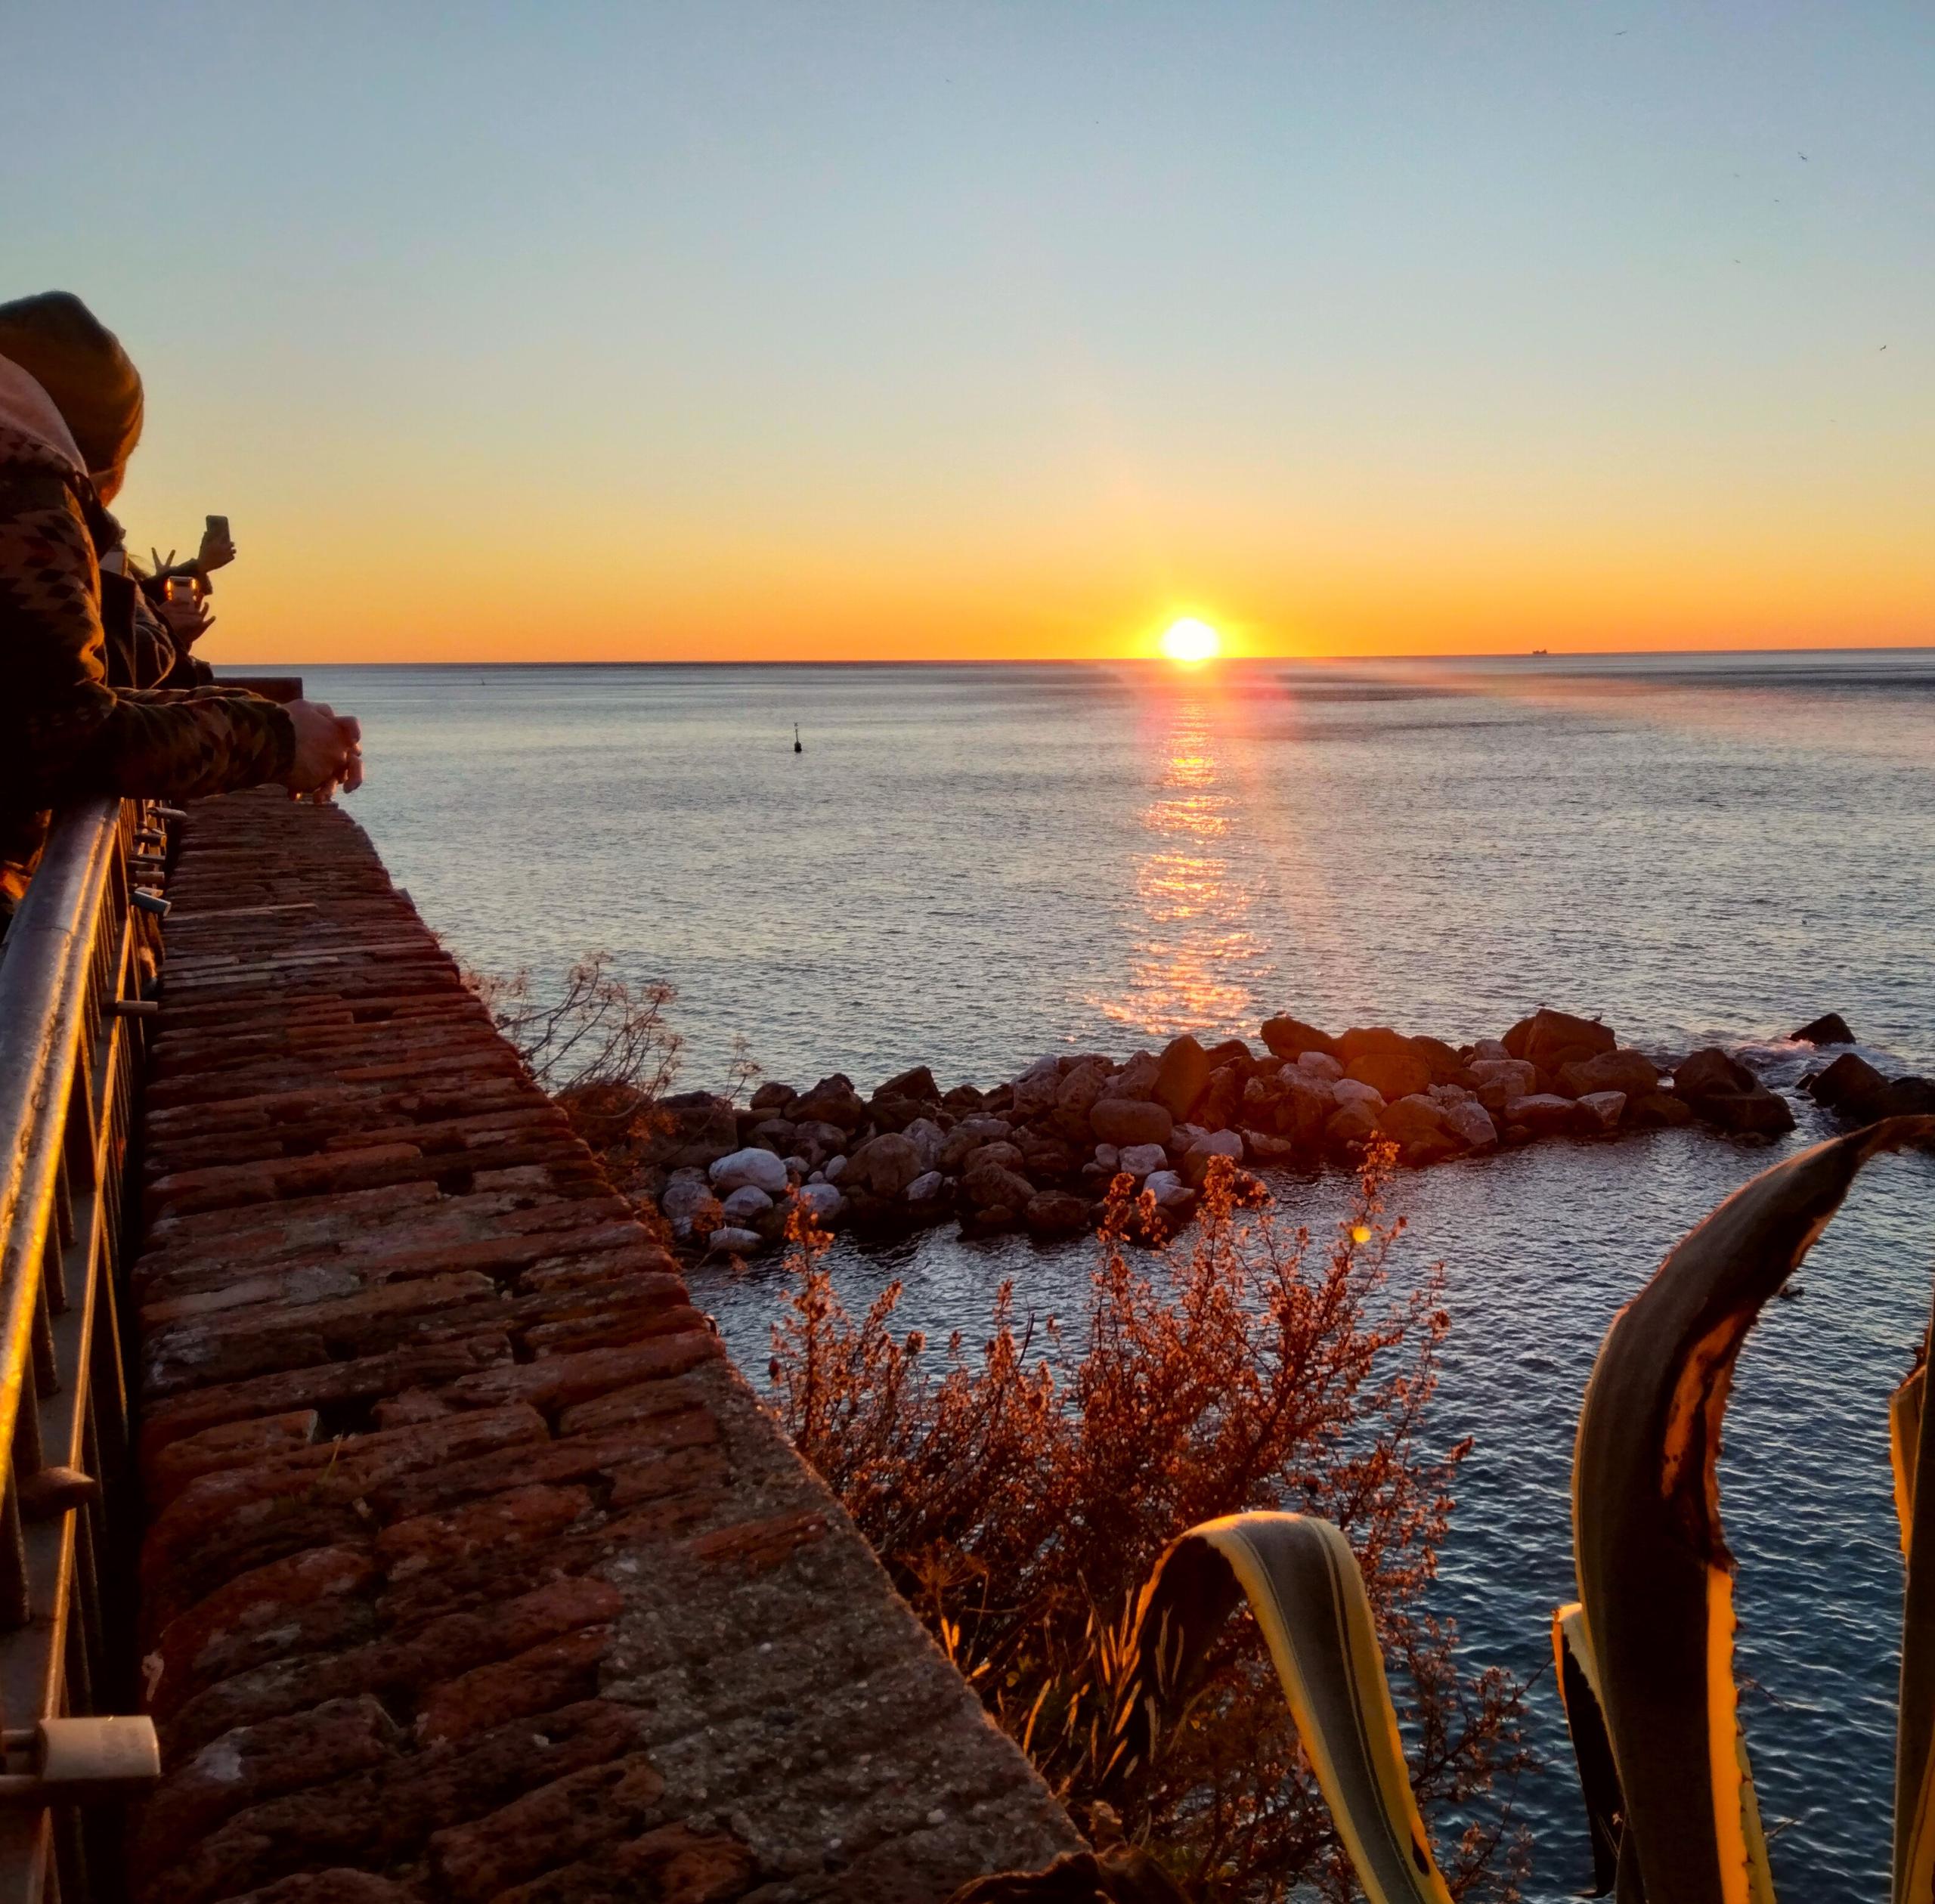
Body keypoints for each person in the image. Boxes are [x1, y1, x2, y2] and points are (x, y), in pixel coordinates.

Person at [0, 291, 361, 924]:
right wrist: (275, 739)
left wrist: (269, 717)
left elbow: (44, 697)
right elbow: (61, 737)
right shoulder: (20, 485)